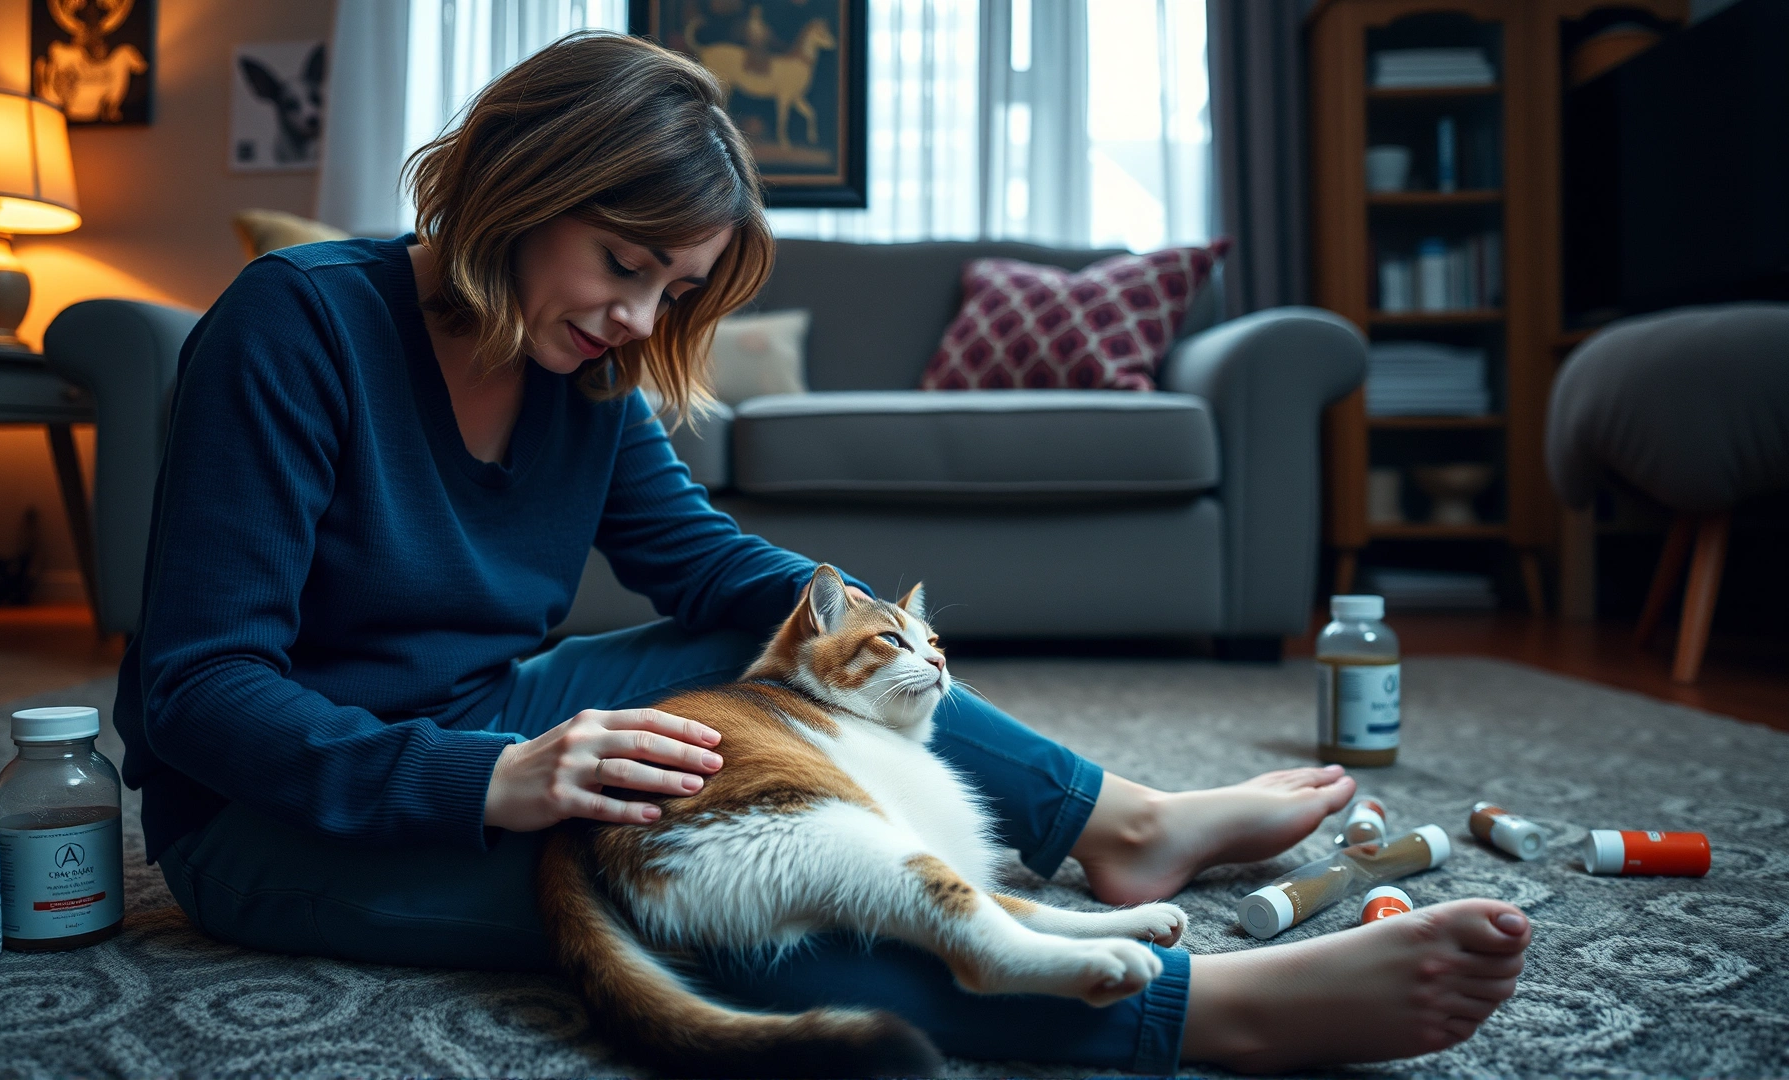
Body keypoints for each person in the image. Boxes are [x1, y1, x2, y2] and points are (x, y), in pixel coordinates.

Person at [119, 31, 1529, 1075]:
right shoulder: (296, 324)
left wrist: (837, 624)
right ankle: (1211, 1015)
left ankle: (1120, 826)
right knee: (731, 870)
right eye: (622, 264)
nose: (633, 320)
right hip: (269, 816)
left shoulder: (589, 377)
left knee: (770, 645)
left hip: (488, 715)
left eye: (669, 291)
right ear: (518, 184)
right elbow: (195, 692)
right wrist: (493, 780)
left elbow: (711, 572)